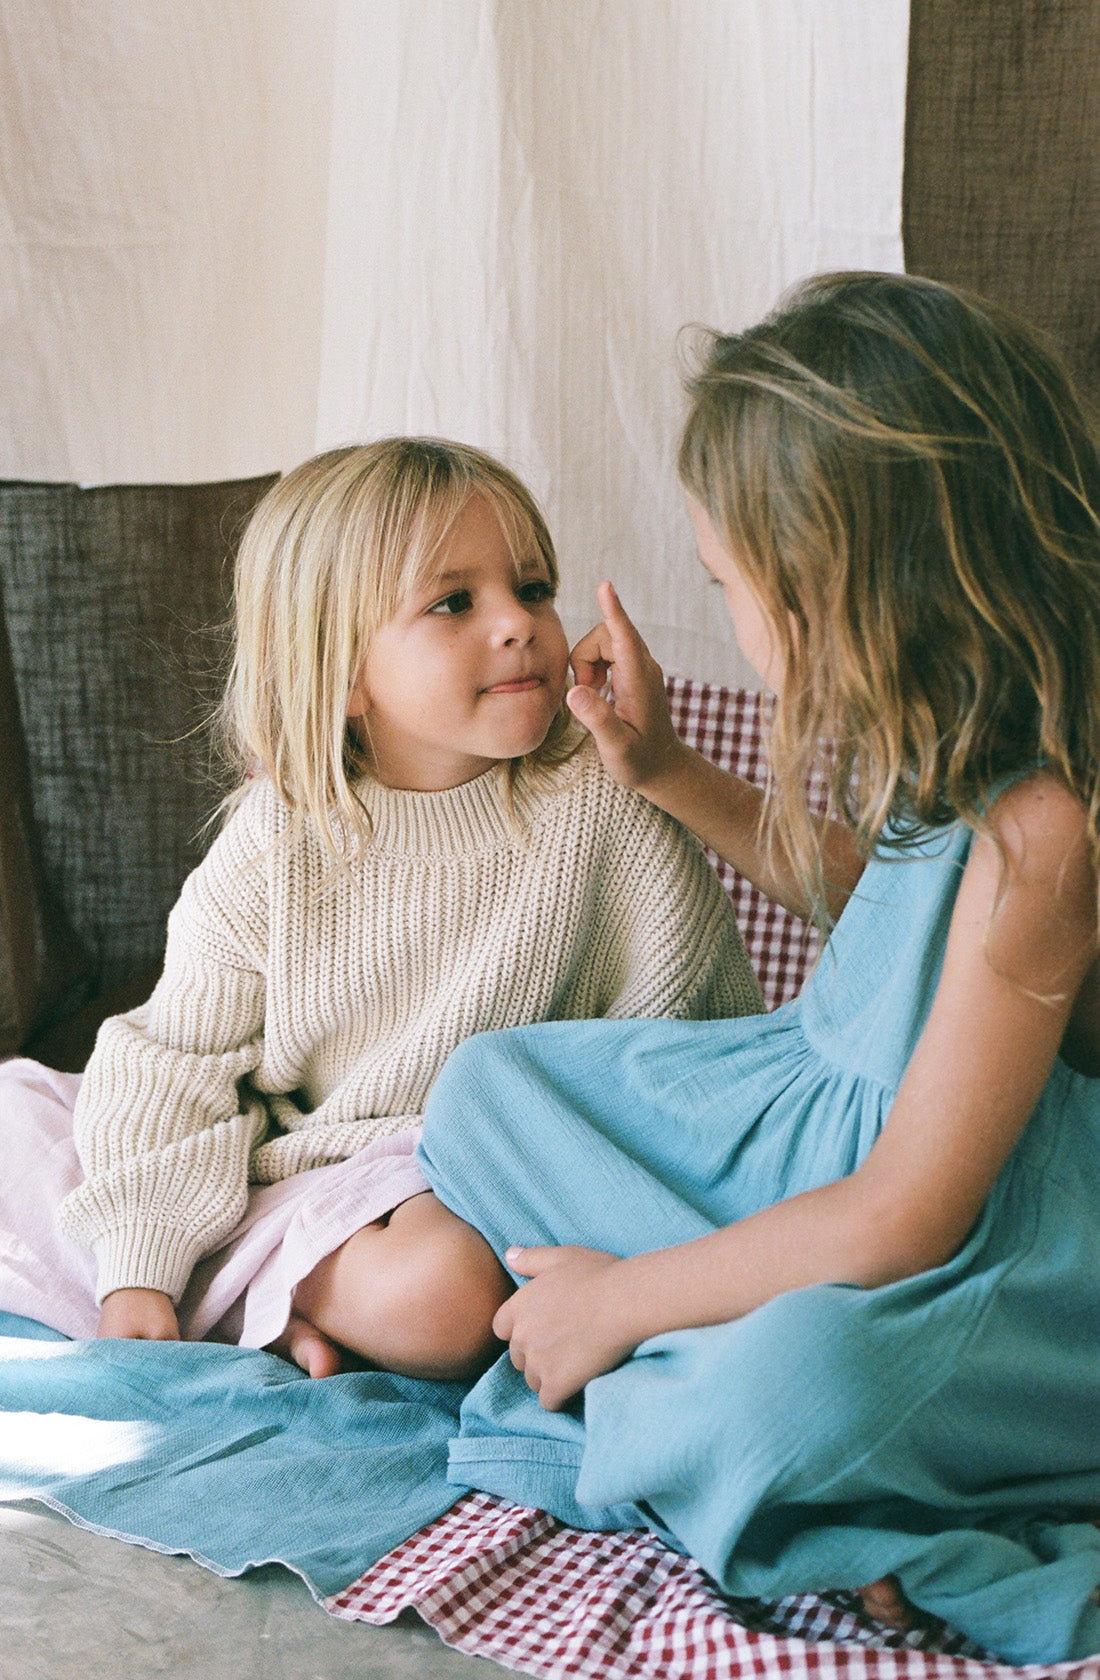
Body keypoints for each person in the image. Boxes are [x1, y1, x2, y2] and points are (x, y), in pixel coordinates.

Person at [417, 276, 1100, 1664]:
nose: (727, 616)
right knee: (486, 1090)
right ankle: (698, 1372)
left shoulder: (1052, 831)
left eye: (733, 586)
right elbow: (885, 924)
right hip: (820, 1143)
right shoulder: (947, 745)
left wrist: (618, 1298)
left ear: (853, 584)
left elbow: (904, 1217)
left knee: (794, 1388)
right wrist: (664, 772)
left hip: (963, 1250)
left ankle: (702, 1386)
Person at [3, 439, 761, 1382]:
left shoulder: (600, 800)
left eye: (532, 588)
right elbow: (176, 1059)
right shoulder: (282, 836)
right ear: (346, 674)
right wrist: (141, 1276)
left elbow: (696, 1038)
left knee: (455, 1294)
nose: (518, 624)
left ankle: (266, 1292)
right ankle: (248, 1280)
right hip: (310, 1163)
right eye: (455, 602)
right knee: (24, 1117)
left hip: (494, 1176)